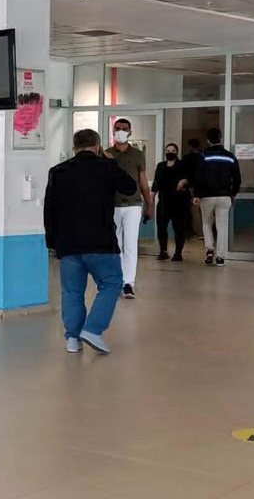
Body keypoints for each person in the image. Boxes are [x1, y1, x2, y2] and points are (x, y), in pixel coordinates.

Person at [45, 129, 138, 355]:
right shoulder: (107, 167)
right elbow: (130, 187)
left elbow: (50, 209)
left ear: (74, 147)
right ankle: (93, 329)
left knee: (71, 292)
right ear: (97, 146)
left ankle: (72, 339)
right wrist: (111, 161)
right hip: (100, 241)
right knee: (111, 283)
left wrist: (52, 240)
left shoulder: (58, 171)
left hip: (68, 243)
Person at [105, 119, 153, 298]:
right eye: (118, 128)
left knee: (131, 245)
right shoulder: (107, 154)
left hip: (133, 204)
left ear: (130, 132)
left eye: (124, 129)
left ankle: (128, 283)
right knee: (115, 244)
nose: (121, 131)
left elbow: (143, 182)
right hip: (113, 205)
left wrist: (149, 205)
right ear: (113, 131)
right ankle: (117, 280)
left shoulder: (138, 155)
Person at [192, 127, 241, 267]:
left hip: (207, 196)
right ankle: (220, 256)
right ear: (221, 138)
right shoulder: (230, 156)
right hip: (225, 196)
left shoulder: (203, 155)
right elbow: (237, 178)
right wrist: (233, 193)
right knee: (222, 225)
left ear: (208, 140)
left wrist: (196, 194)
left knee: (207, 222)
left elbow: (198, 177)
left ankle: (209, 250)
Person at [151, 142, 189, 262]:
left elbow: (189, 179)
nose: (170, 153)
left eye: (172, 151)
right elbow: (156, 182)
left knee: (178, 228)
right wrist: (152, 196)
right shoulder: (161, 166)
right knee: (161, 227)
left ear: (176, 152)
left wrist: (184, 181)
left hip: (179, 201)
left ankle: (178, 253)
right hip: (164, 200)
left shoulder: (182, 165)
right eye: (168, 150)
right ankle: (163, 251)